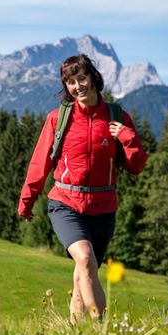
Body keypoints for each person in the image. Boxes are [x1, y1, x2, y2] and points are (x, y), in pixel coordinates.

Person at [18, 54, 147, 321]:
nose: (77, 86)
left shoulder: (117, 117)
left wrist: (128, 137)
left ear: (94, 78)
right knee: (86, 260)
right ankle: (101, 330)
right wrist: (27, 201)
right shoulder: (59, 119)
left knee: (83, 274)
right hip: (66, 203)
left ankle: (75, 334)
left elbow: (136, 167)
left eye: (82, 78)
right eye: (70, 82)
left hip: (103, 209)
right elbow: (40, 162)